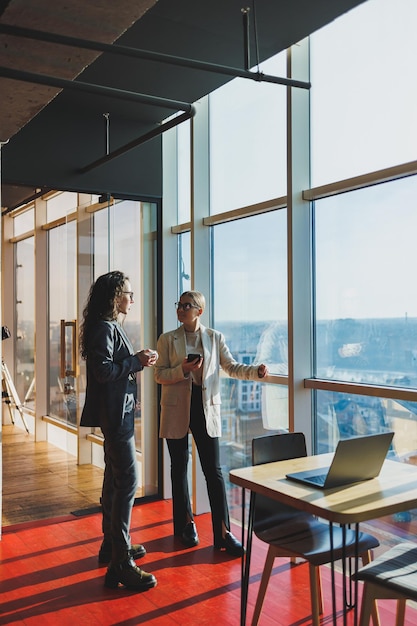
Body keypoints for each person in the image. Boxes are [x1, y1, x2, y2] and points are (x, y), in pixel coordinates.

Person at [154, 290, 268, 556]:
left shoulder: (215, 337)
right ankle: (185, 525)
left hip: (205, 409)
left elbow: (230, 367)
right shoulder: (167, 339)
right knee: (179, 468)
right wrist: (183, 369)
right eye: (179, 305)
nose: (180, 309)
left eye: (186, 305)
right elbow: (159, 375)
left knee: (214, 472)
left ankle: (224, 533)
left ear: (199, 311)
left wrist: (255, 372)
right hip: (176, 407)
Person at [80, 270, 158, 591]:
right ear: (115, 296)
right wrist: (136, 361)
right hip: (116, 416)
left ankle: (112, 546)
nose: (132, 299)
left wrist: (136, 363)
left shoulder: (109, 326)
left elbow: (110, 369)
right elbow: (102, 371)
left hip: (118, 413)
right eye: (128, 293)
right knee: (128, 480)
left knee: (115, 477)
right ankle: (121, 559)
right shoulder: (104, 327)